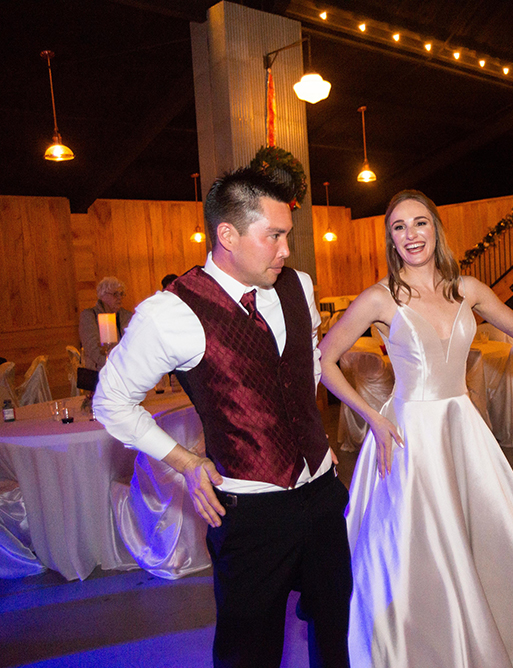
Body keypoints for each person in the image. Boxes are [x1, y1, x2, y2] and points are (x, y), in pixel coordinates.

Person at [320, 189, 513, 667]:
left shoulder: (467, 289)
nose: (411, 235)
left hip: (462, 428)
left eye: (420, 223)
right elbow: (325, 360)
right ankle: (427, 643)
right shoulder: (380, 298)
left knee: (485, 537)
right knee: (422, 546)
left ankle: (487, 629)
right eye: (399, 227)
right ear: (391, 240)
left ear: (436, 229)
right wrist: (371, 416)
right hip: (408, 438)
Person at [94, 167, 352, 668]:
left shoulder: (299, 285)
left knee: (336, 631)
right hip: (250, 516)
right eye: (273, 236)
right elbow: (111, 400)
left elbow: (308, 365)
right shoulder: (171, 313)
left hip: (321, 497)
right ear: (227, 236)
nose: (285, 250)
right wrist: (187, 461)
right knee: (248, 653)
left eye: (287, 236)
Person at [79, 276, 132, 371]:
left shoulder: (127, 316)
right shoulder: (90, 316)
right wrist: (115, 367)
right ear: (103, 296)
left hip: (127, 369)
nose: (120, 297)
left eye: (121, 294)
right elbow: (93, 349)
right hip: (101, 372)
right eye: (115, 294)